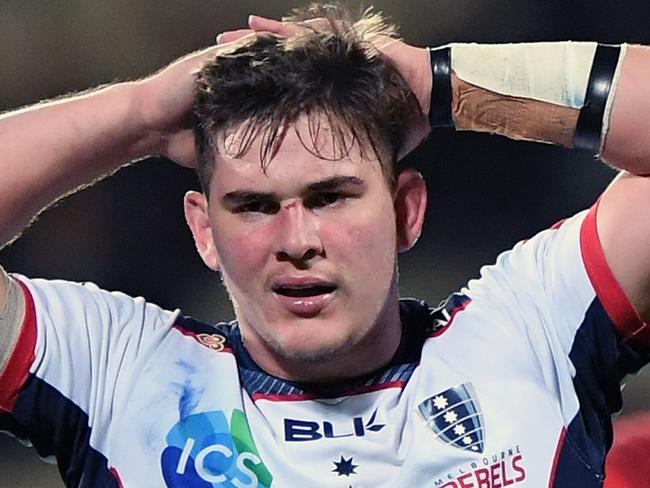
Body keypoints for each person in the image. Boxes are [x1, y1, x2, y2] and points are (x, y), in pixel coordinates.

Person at [0, 4, 649, 487]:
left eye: (330, 197)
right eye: (253, 206)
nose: (297, 242)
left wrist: (440, 82)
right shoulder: (125, 377)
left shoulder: (530, 329)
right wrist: (138, 114)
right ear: (204, 229)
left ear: (404, 210)